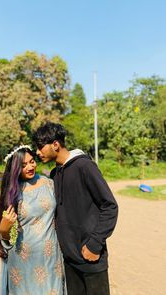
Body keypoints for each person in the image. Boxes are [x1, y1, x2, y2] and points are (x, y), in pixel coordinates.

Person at [32, 122, 118, 295]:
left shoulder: (85, 167)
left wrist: (95, 244)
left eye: (41, 147)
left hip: (91, 257)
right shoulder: (56, 173)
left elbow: (110, 206)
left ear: (55, 144)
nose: (38, 152)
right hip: (69, 260)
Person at [0, 145, 67, 295]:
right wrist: (4, 230)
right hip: (23, 261)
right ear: (15, 169)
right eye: (23, 165)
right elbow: (9, 238)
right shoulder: (12, 193)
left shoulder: (48, 183)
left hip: (51, 257)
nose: (30, 167)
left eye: (32, 161)